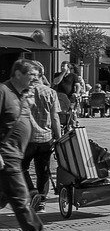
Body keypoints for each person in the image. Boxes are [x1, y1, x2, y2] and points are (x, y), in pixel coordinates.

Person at [1, 59, 42, 231]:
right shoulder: (3, 91)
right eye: (32, 75)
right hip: (6, 155)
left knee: (4, 196)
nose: (36, 78)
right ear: (18, 74)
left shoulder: (22, 95)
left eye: (37, 75)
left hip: (16, 155)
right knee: (21, 200)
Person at [21, 68, 59, 214]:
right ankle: (41, 202)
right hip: (46, 138)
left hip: (27, 138)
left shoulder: (23, 92)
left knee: (21, 167)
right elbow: (55, 117)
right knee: (43, 171)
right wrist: (58, 136)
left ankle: (32, 192)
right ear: (42, 76)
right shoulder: (50, 92)